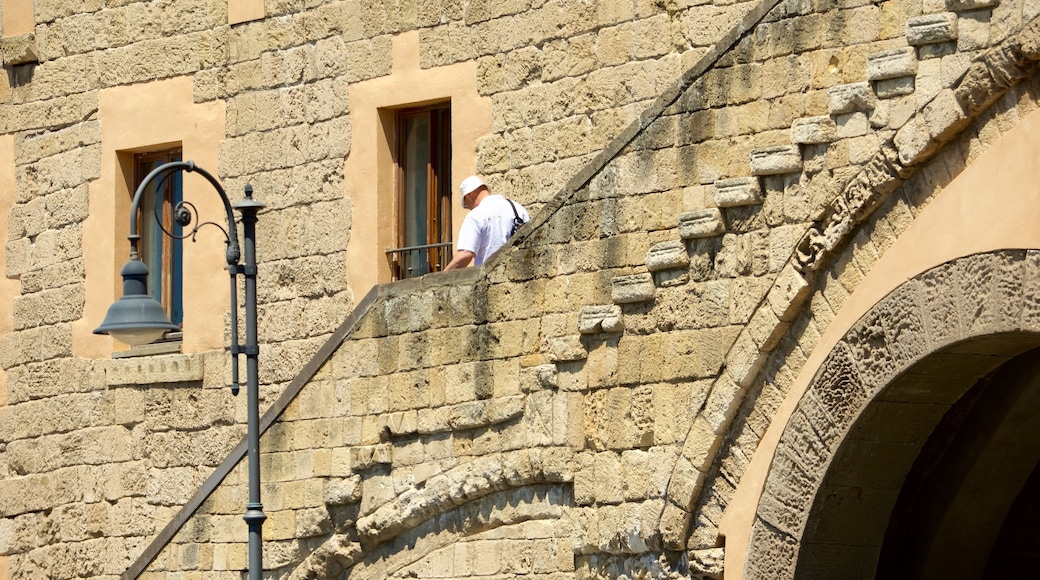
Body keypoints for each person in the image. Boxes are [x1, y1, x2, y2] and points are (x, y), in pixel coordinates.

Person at [443, 175, 529, 270]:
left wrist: (441, 278)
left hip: (490, 278)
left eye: (466, 204)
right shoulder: (518, 208)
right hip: (519, 273)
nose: (469, 208)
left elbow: (466, 253)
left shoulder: (476, 215)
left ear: (469, 196)